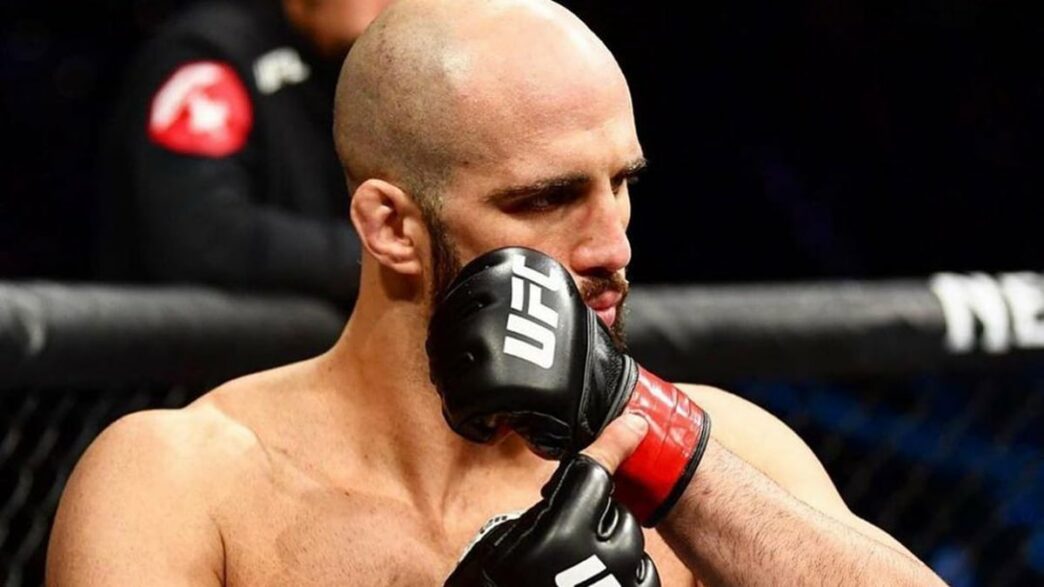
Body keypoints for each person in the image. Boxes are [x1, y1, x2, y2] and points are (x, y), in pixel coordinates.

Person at [50, 0, 947, 584]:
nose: (612, 245)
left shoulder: (718, 453)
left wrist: (673, 461)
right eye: (547, 199)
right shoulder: (187, 483)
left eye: (622, 184)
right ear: (391, 227)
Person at [96, 0, 392, 307]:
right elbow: (203, 234)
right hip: (201, 330)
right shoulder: (210, 55)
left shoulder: (377, 73)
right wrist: (386, 251)